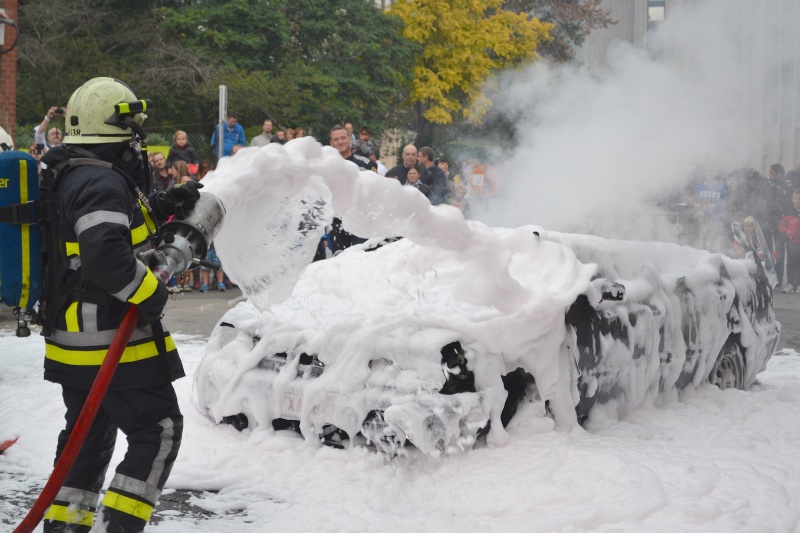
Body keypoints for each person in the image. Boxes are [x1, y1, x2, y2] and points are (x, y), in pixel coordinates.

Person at [38, 77, 202, 533]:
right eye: (131, 128)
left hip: (74, 338)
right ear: (112, 128)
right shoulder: (100, 180)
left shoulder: (72, 171)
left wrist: (167, 204)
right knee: (159, 431)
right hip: (111, 338)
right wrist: (153, 294)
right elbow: (107, 259)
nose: (136, 139)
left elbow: (108, 233)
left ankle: (64, 526)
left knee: (87, 440)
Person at [778, 188, 800, 292]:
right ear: (792, 199)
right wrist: (787, 232)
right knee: (790, 262)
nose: (798, 200)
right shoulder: (789, 213)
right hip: (791, 242)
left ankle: (798, 284)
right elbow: (781, 226)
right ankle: (790, 283)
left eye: (799, 198)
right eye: (795, 198)